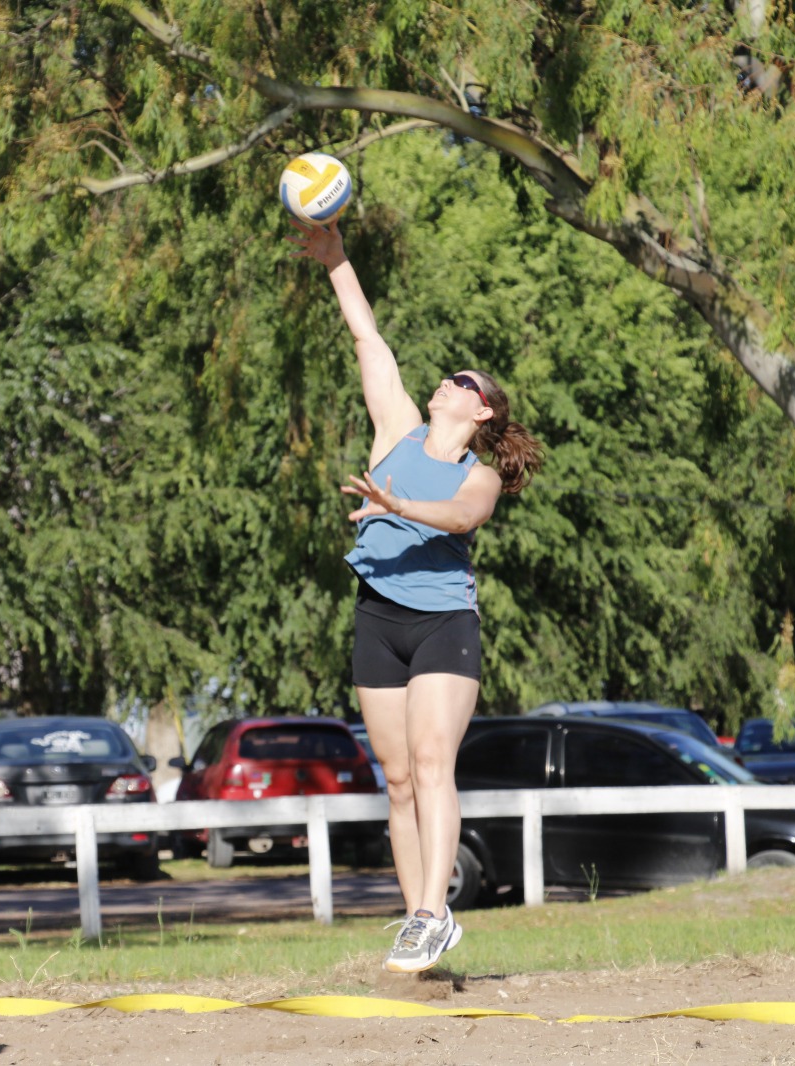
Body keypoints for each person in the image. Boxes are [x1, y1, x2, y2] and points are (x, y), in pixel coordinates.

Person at [288, 219, 543, 974]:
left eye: (464, 383)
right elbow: (369, 341)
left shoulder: (480, 476)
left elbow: (461, 519)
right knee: (397, 781)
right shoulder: (396, 430)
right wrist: (336, 258)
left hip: (442, 625)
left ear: (483, 411)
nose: (448, 383)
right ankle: (416, 925)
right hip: (377, 616)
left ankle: (436, 911)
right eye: (449, 377)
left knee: (434, 764)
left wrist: (395, 506)